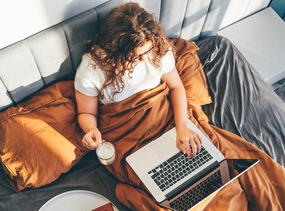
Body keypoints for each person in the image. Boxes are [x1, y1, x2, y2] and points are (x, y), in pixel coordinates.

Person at [74, 2, 201, 158]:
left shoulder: (158, 50)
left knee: (199, 157)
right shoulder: (91, 70)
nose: (146, 59)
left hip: (163, 119)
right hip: (125, 135)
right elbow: (86, 113)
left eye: (148, 51)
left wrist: (182, 127)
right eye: (136, 57)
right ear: (115, 52)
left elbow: (176, 87)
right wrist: (91, 129)